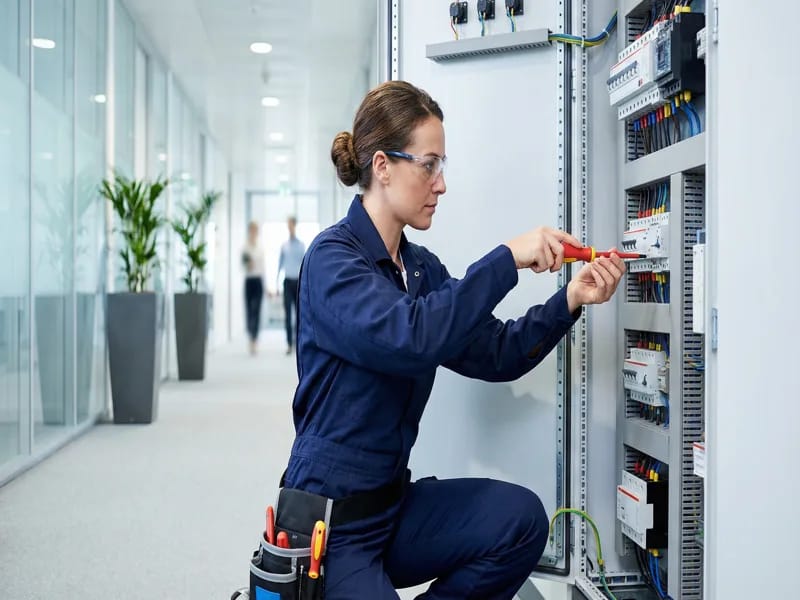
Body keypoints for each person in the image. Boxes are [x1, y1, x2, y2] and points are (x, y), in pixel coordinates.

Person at [279, 81, 625, 599]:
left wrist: (569, 300)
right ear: (382, 166)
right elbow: (410, 336)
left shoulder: (419, 269)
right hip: (333, 527)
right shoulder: (333, 261)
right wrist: (507, 257)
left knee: (522, 521)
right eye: (429, 164)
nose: (440, 184)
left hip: (390, 509)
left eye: (443, 165)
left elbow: (497, 352)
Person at [277, 216, 305, 354]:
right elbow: (279, 265)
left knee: (299, 314)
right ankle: (289, 344)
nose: (289, 227)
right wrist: (276, 284)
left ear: (295, 225)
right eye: (287, 225)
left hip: (298, 282)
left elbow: (304, 266)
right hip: (287, 282)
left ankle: (297, 342)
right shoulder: (284, 246)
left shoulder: (301, 246)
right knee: (288, 314)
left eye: (291, 225)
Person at [242, 221, 266, 355]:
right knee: (249, 311)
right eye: (251, 229)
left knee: (256, 310)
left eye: (255, 230)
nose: (253, 232)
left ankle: (254, 339)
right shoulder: (245, 247)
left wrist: (267, 286)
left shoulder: (260, 248)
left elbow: (263, 268)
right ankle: (251, 336)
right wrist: (247, 264)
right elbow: (242, 265)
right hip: (248, 281)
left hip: (258, 281)